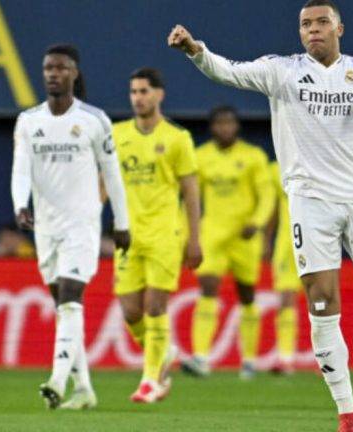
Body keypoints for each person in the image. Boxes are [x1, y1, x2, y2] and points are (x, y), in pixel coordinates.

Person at [167, 0, 353, 430]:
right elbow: (227, 70)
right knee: (321, 302)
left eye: (321, 22)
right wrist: (193, 49)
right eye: (305, 24)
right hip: (310, 201)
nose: (312, 29)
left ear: (339, 27)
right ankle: (349, 415)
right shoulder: (282, 71)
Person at [11, 44, 130, 410]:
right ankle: (84, 389)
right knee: (63, 307)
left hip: (82, 225)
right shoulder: (29, 121)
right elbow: (20, 168)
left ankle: (58, 381)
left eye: (60, 68)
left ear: (74, 74)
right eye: (48, 68)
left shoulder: (94, 120)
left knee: (70, 298)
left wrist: (121, 223)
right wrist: (20, 204)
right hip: (46, 228)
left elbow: (112, 174)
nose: (52, 73)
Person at [112, 67, 202, 403]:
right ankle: (164, 353)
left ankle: (150, 380)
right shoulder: (117, 134)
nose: (138, 98)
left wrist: (195, 239)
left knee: (154, 306)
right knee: (130, 311)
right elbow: (106, 183)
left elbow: (191, 192)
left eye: (144, 91)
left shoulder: (178, 139)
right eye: (133, 92)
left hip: (166, 232)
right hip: (128, 235)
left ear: (159, 95)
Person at [180, 105, 275, 379]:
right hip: (213, 234)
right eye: (219, 123)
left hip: (244, 237)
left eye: (229, 123)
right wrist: (189, 236)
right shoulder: (200, 157)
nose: (224, 128)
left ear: (237, 126)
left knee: (247, 295)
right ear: (212, 128)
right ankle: (201, 357)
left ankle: (249, 360)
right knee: (207, 287)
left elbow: (266, 196)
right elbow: (190, 199)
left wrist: (256, 222)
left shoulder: (254, 157)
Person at [266, 161, 302, 375]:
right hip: (287, 244)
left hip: (318, 242)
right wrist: (266, 239)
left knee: (323, 299)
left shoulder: (318, 158)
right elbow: (272, 207)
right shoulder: (275, 168)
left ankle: (330, 358)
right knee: (286, 298)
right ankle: (286, 357)